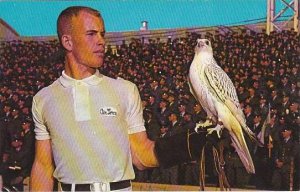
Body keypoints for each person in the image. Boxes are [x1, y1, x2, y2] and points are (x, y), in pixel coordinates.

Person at [30, 6, 210, 191]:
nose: (101, 41)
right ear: (67, 42)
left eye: (102, 34)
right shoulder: (43, 99)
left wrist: (193, 143)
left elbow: (141, 156)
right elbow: (43, 167)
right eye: (91, 34)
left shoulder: (125, 90)